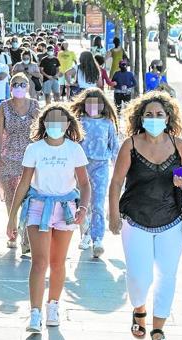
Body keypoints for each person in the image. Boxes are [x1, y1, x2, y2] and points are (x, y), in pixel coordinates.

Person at [108, 91, 182, 340]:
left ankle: (158, 329)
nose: (154, 118)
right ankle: (139, 308)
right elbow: (117, 182)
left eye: (159, 114)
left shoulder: (179, 145)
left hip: (171, 220)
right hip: (136, 219)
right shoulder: (130, 144)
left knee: (167, 276)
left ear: (168, 117)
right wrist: (113, 214)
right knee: (139, 276)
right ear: (140, 118)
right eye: (149, 114)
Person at [7, 103, 90, 334]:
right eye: (50, 121)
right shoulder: (34, 149)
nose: (55, 125)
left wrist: (82, 208)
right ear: (43, 123)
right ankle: (35, 313)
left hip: (65, 209)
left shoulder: (74, 150)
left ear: (68, 124)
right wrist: (12, 217)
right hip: (38, 207)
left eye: (60, 121)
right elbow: (24, 183)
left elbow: (84, 183)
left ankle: (53, 305)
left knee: (57, 262)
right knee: (39, 262)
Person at [70, 88, 120, 256]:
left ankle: (97, 238)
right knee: (82, 203)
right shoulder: (79, 122)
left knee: (97, 203)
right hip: (80, 167)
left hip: (100, 166)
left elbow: (115, 148)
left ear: (102, 105)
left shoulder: (108, 123)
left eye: (96, 103)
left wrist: (120, 171)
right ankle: (85, 234)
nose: (93, 106)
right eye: (89, 102)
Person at [0, 74, 39, 254]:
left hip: (30, 158)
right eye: (15, 84)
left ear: (28, 87)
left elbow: (41, 128)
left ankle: (27, 238)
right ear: (10, 87)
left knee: (29, 198)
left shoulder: (35, 105)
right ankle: (12, 233)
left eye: (22, 84)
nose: (19, 87)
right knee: (12, 199)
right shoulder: (4, 106)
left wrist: (38, 116)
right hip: (8, 156)